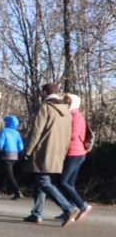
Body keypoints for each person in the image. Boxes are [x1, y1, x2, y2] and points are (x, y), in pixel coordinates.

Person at [22, 82, 76, 225]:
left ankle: (68, 208)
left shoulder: (46, 108)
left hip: (43, 151)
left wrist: (27, 150)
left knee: (43, 182)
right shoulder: (67, 111)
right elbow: (68, 135)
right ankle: (36, 213)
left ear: (45, 92)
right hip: (58, 152)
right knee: (41, 181)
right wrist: (63, 152)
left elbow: (36, 131)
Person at [57, 93, 94, 223]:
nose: (65, 104)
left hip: (75, 153)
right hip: (75, 153)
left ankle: (83, 205)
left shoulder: (76, 117)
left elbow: (73, 135)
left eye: (67, 102)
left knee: (63, 182)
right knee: (70, 184)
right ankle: (70, 211)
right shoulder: (72, 116)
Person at [0, 115, 24, 199]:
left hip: (6, 153)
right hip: (15, 155)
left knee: (9, 174)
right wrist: (18, 151)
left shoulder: (4, 131)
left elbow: (0, 142)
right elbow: (21, 146)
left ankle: (17, 191)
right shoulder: (17, 133)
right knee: (5, 173)